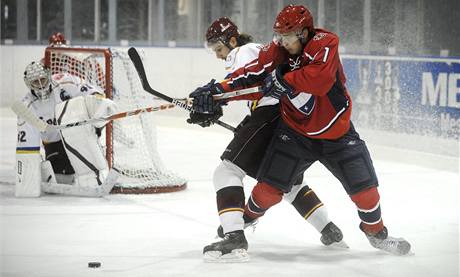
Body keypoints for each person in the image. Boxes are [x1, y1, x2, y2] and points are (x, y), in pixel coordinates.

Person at [189, 5, 411, 260]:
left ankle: (376, 233)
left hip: (337, 134)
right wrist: (216, 93)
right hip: (295, 134)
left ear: (304, 33)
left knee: (366, 192)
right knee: (268, 190)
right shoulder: (278, 50)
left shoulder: (325, 42)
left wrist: (284, 81)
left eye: (288, 36)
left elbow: (320, 79)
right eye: (279, 36)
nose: (282, 42)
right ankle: (246, 220)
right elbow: (253, 75)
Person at [187, 17, 344, 262]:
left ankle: (234, 235)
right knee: (288, 183)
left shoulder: (242, 51)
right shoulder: (257, 49)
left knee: (226, 171)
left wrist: (214, 100)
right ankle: (329, 229)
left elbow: (250, 83)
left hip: (271, 114)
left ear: (231, 40)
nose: (218, 55)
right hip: (286, 119)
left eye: (219, 49)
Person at [15, 61, 119, 197]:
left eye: (43, 79)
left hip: (79, 133)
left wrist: (99, 107)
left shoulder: (65, 82)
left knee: (78, 135)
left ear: (48, 75)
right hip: (54, 143)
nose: (41, 85)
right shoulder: (26, 108)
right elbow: (27, 148)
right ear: (29, 83)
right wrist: (28, 179)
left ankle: (96, 174)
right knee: (64, 180)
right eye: (36, 82)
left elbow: (94, 94)